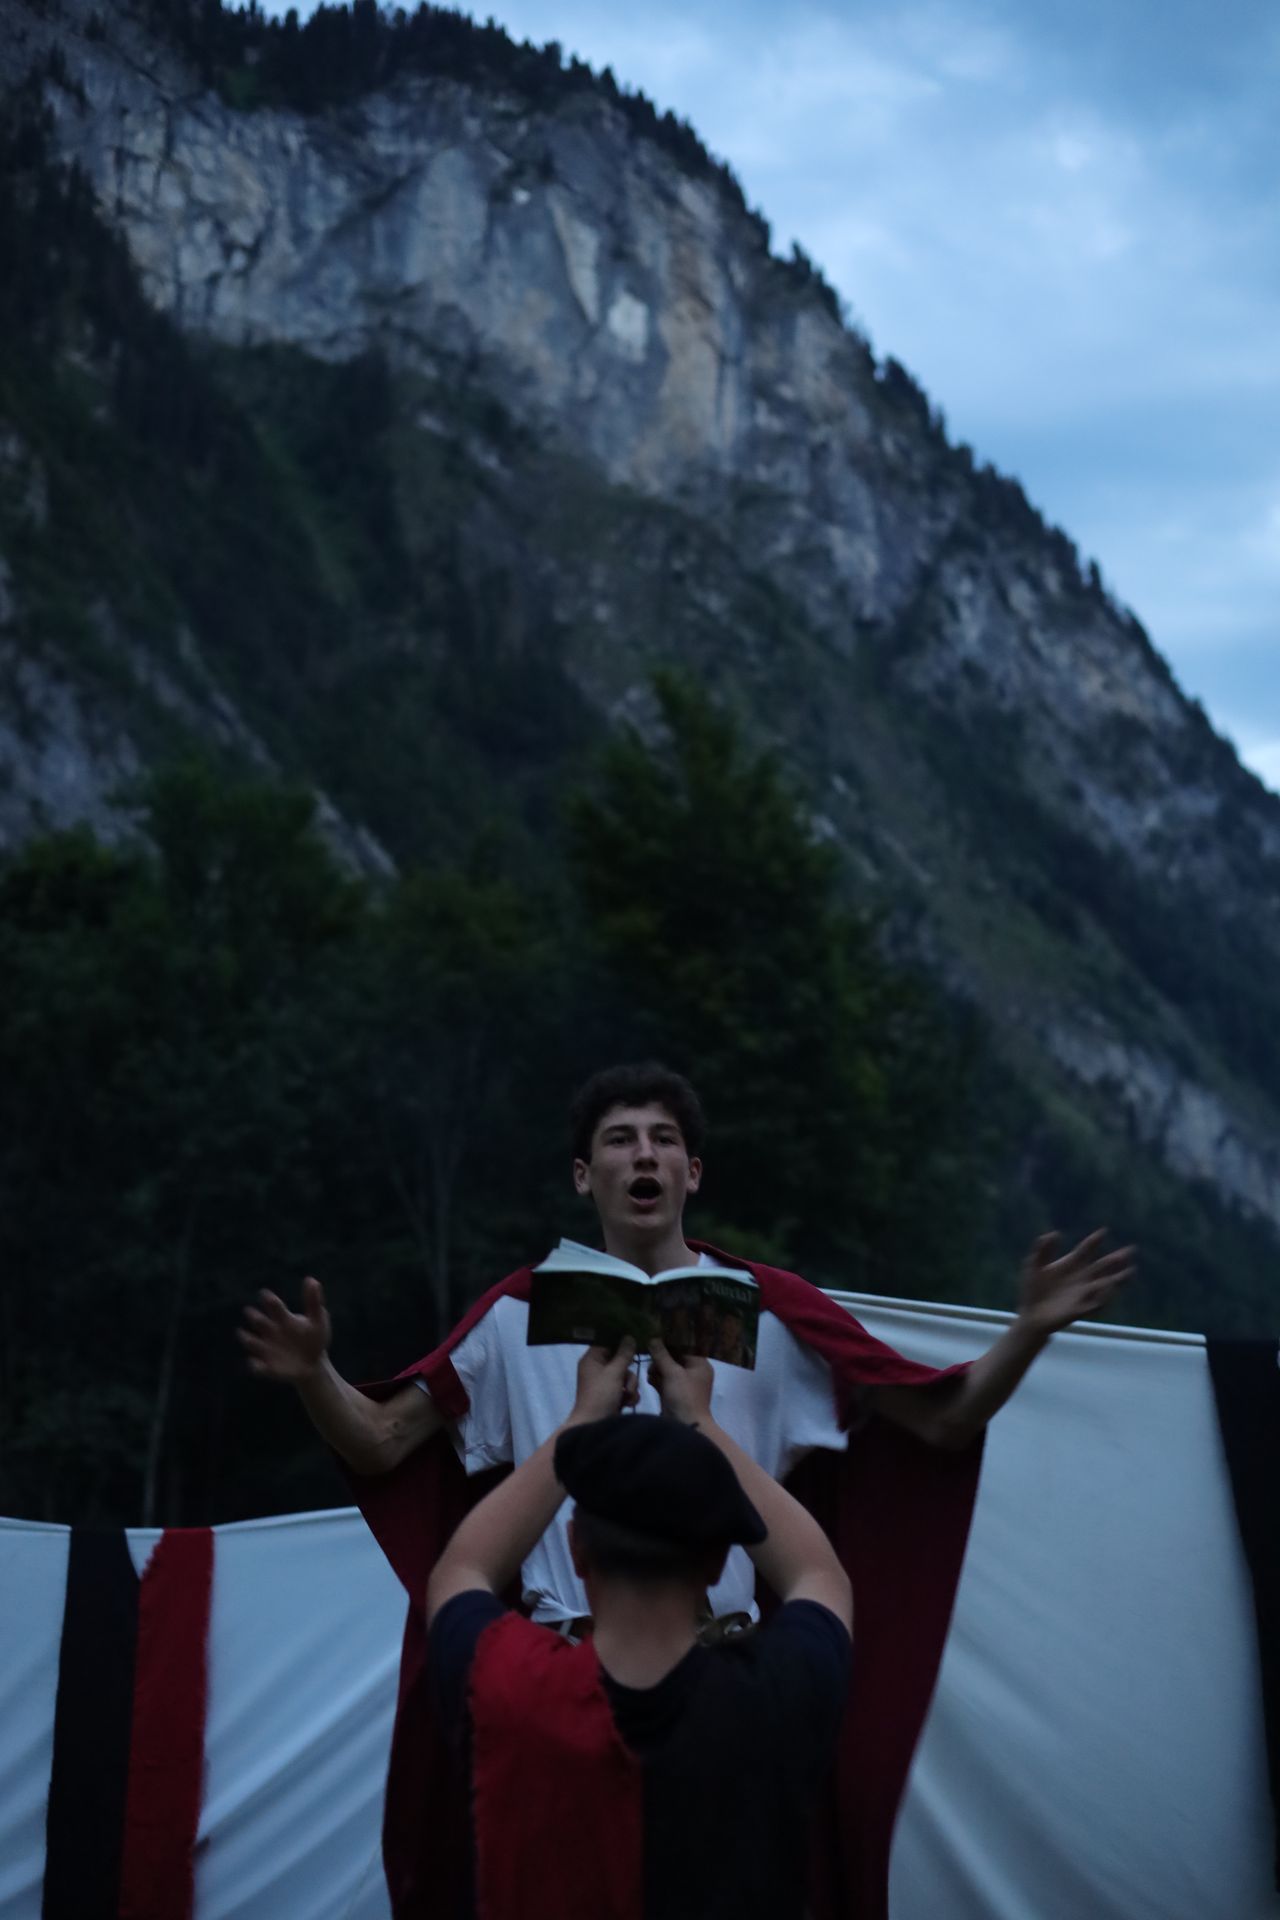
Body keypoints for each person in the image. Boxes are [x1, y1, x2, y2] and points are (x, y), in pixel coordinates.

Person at [238, 1061, 1133, 1920]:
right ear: (585, 1174)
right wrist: (318, 1376)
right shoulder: (517, 1311)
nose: (645, 1155)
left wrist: (1029, 1334)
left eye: (664, 1140)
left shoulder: (769, 1309)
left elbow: (940, 1420)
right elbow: (384, 1441)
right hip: (561, 1676)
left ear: (692, 1171)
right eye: (620, 1140)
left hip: (726, 1675)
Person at [427, 1337, 852, 1920]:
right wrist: (700, 1420)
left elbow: (462, 1568)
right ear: (716, 1560)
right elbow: (817, 1573)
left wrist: (579, 1421)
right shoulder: (779, 1695)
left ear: (576, 1549)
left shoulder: (507, 1688)